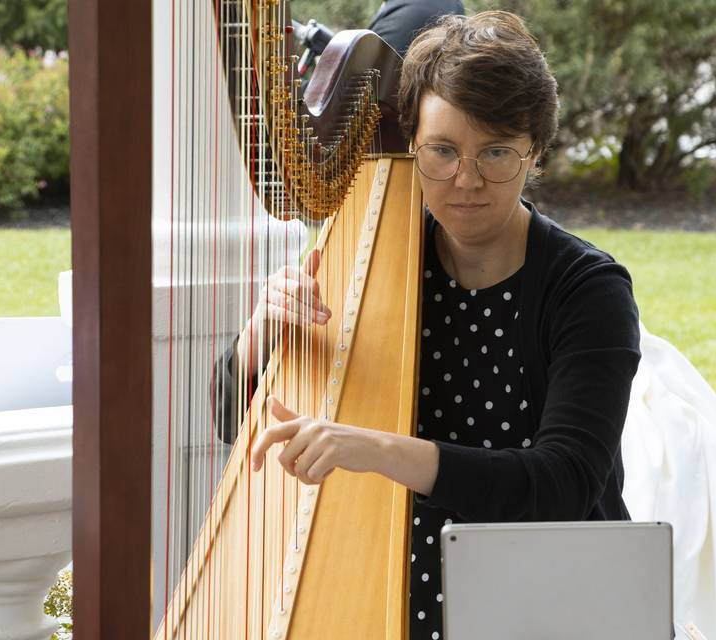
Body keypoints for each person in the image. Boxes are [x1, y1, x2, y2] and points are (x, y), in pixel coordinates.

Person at [224, 11, 642, 639]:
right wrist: (261, 333)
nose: (466, 180)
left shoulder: (588, 290)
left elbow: (562, 484)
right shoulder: (376, 260)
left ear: (535, 152)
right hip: (399, 587)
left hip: (554, 598)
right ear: (409, 144)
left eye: (495, 153)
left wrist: (375, 448)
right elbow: (233, 421)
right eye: (442, 151)